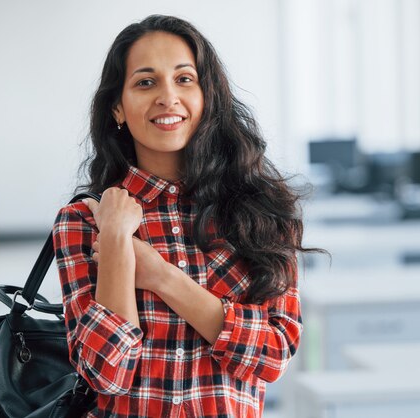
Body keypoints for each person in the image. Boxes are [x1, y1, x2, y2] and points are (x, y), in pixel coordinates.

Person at [53, 14, 320, 418]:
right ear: (118, 108)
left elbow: (270, 357)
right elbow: (106, 374)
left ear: (206, 95)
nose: (167, 97)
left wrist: (160, 276)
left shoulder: (261, 209)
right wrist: (115, 244)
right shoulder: (84, 221)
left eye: (184, 79)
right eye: (145, 82)